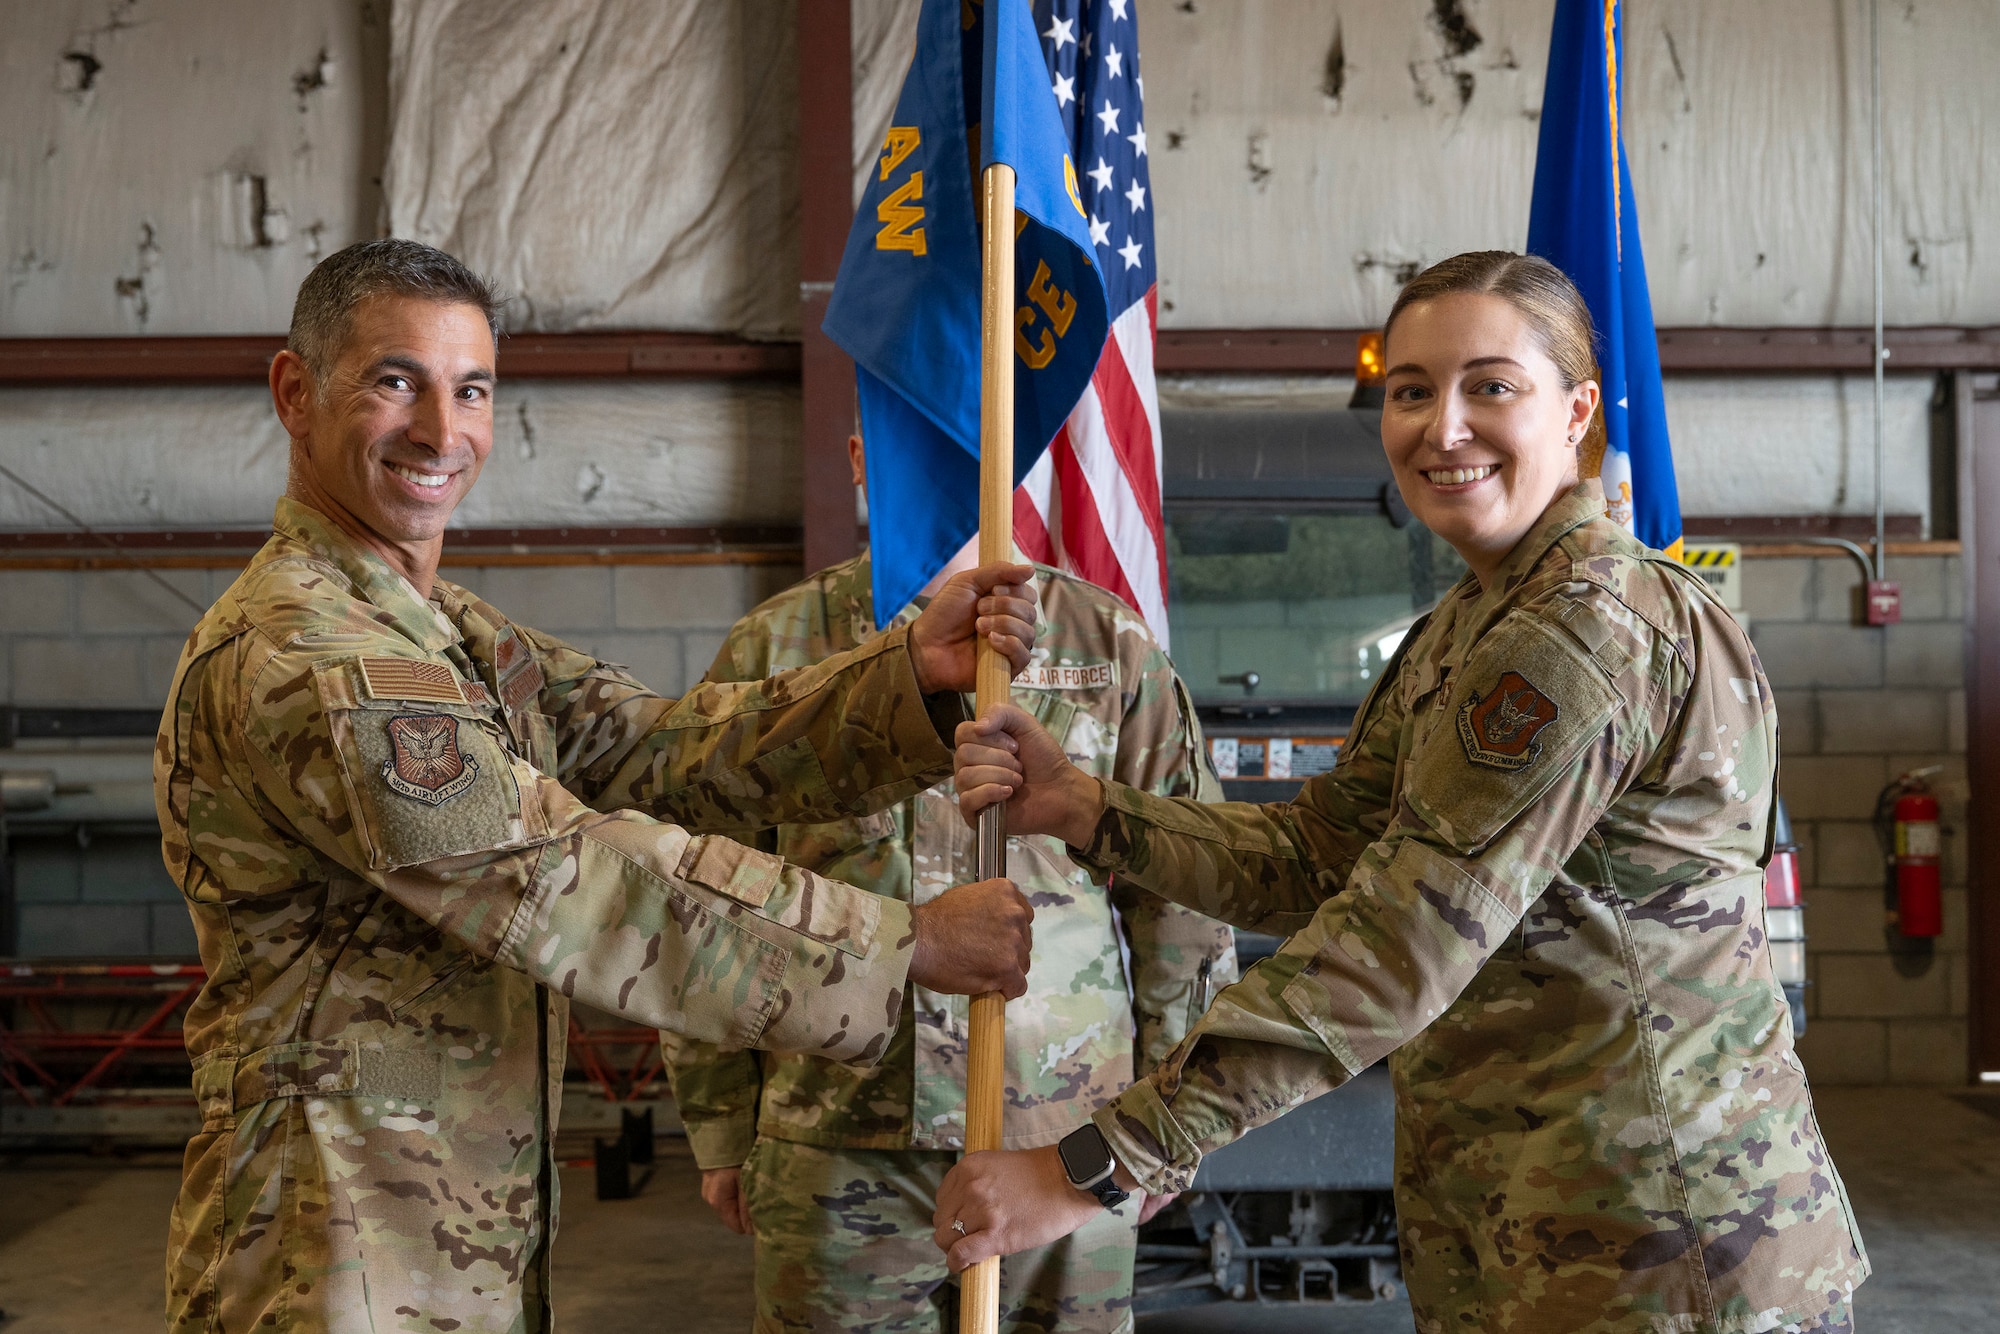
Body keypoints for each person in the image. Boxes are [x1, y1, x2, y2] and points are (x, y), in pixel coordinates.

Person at [939, 252, 1869, 1333]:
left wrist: (1092, 1163)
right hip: (1527, 1227)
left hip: (1650, 1244)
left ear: (1573, 412)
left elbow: (1391, 945)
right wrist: (1090, 809)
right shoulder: (1465, 628)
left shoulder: (1581, 627)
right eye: (1412, 390)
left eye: (1490, 386)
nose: (1443, 427)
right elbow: (1318, 861)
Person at [155, 239, 1043, 1334]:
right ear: (296, 393)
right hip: (333, 1239)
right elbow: (565, 876)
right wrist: (899, 946)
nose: (442, 431)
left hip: (437, 1212)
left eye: (469, 388)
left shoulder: (450, 635)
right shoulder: (312, 654)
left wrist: (907, 681)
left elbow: (661, 750)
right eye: (396, 382)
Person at [661, 433, 1238, 1333]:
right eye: (913, 435)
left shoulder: (1108, 645)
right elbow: (705, 890)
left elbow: (1184, 896)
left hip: (1063, 1134)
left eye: (977, 441)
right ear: (861, 455)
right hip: (836, 1129)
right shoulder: (777, 647)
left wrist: (1164, 1130)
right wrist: (721, 1124)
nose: (950, 466)